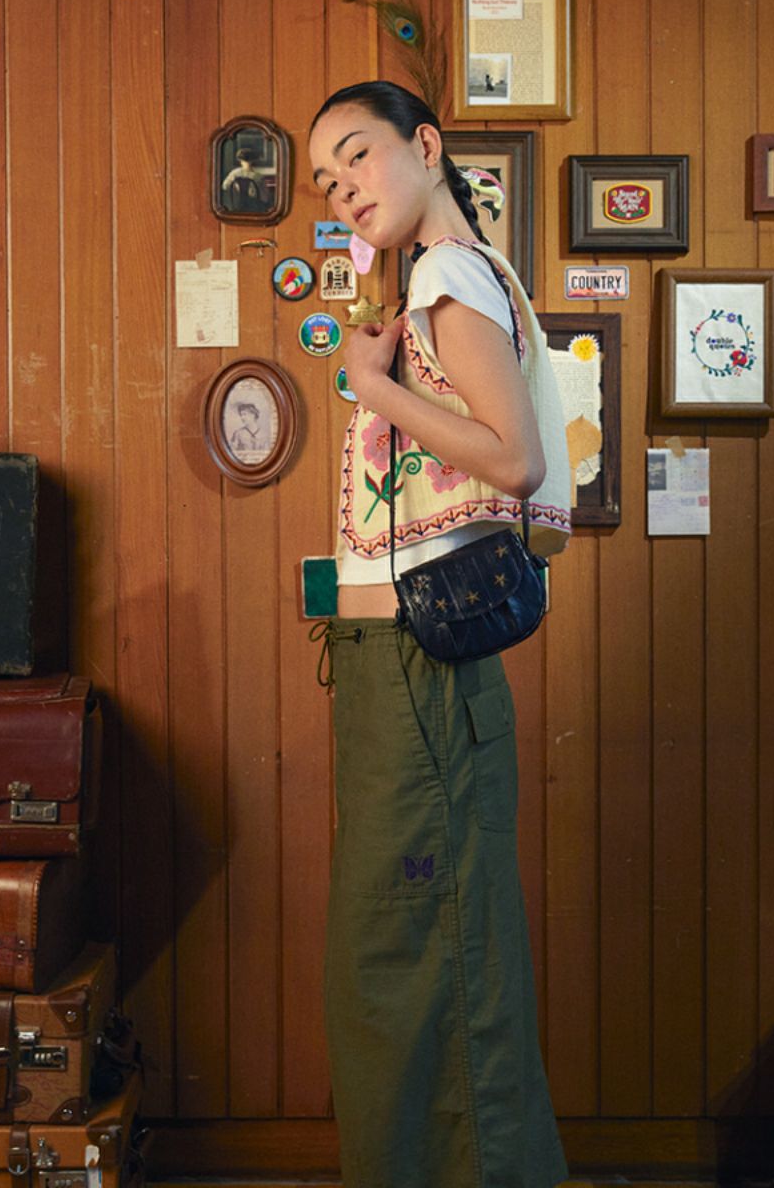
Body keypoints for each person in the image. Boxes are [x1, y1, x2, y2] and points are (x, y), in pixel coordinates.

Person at [308, 80, 572, 1188]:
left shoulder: (449, 277)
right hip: (406, 669)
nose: (342, 188)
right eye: (326, 181)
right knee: (413, 946)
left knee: (418, 949)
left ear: (426, 145)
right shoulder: (446, 278)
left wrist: (369, 383)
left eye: (357, 156)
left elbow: (514, 459)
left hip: (418, 666)